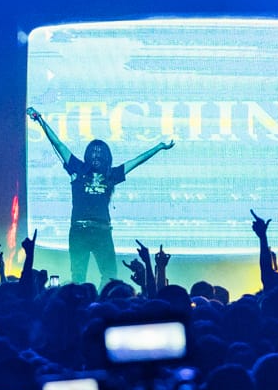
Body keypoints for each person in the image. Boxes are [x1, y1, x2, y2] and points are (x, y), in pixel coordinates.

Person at [26, 107, 175, 286]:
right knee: (78, 275)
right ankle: (82, 301)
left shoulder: (111, 175)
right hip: (79, 230)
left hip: (102, 231)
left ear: (106, 157)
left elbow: (136, 161)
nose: (96, 156)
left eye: (100, 153)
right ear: (87, 155)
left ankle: (104, 300)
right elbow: (58, 144)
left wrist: (159, 147)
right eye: (93, 152)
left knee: (110, 273)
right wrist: (40, 120)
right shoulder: (78, 168)